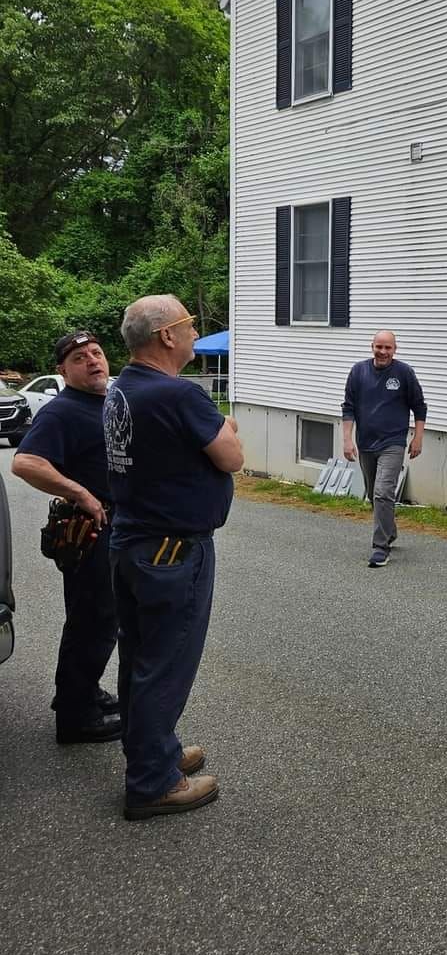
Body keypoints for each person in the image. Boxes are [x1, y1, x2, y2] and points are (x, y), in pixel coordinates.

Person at [104, 296, 244, 821]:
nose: (193, 333)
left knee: (140, 657)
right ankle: (152, 782)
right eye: (188, 325)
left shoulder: (123, 388)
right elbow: (231, 456)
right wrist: (227, 429)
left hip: (132, 540)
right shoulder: (178, 394)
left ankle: (151, 751)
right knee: (166, 664)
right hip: (173, 549)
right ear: (166, 336)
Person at [11, 331, 121, 743]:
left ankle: (82, 692)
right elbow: (25, 463)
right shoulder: (62, 411)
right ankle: (76, 719)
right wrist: (80, 493)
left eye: (96, 353)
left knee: (101, 619)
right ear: (63, 371)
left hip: (114, 528)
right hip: (89, 531)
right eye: (79, 358)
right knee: (92, 621)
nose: (92, 361)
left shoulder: (107, 401)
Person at [342, 329, 427, 568]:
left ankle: (381, 547)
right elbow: (348, 408)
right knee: (373, 495)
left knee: (382, 492)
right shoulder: (358, 372)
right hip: (366, 443)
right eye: (379, 347)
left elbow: (419, 408)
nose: (383, 352)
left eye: (388, 347)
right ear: (372, 347)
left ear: (394, 349)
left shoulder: (404, 373)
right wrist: (347, 439)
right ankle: (389, 531)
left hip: (393, 442)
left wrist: (417, 438)